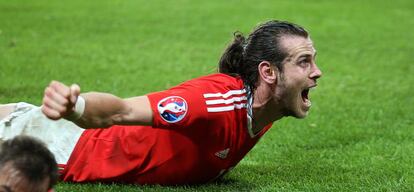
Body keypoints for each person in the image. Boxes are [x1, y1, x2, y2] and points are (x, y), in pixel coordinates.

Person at [0, 20, 322, 185]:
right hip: (63, 147)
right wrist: (76, 108)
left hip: (56, 134)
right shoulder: (213, 102)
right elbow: (121, 110)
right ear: (268, 73)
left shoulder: (265, 109)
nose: (317, 72)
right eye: (304, 62)